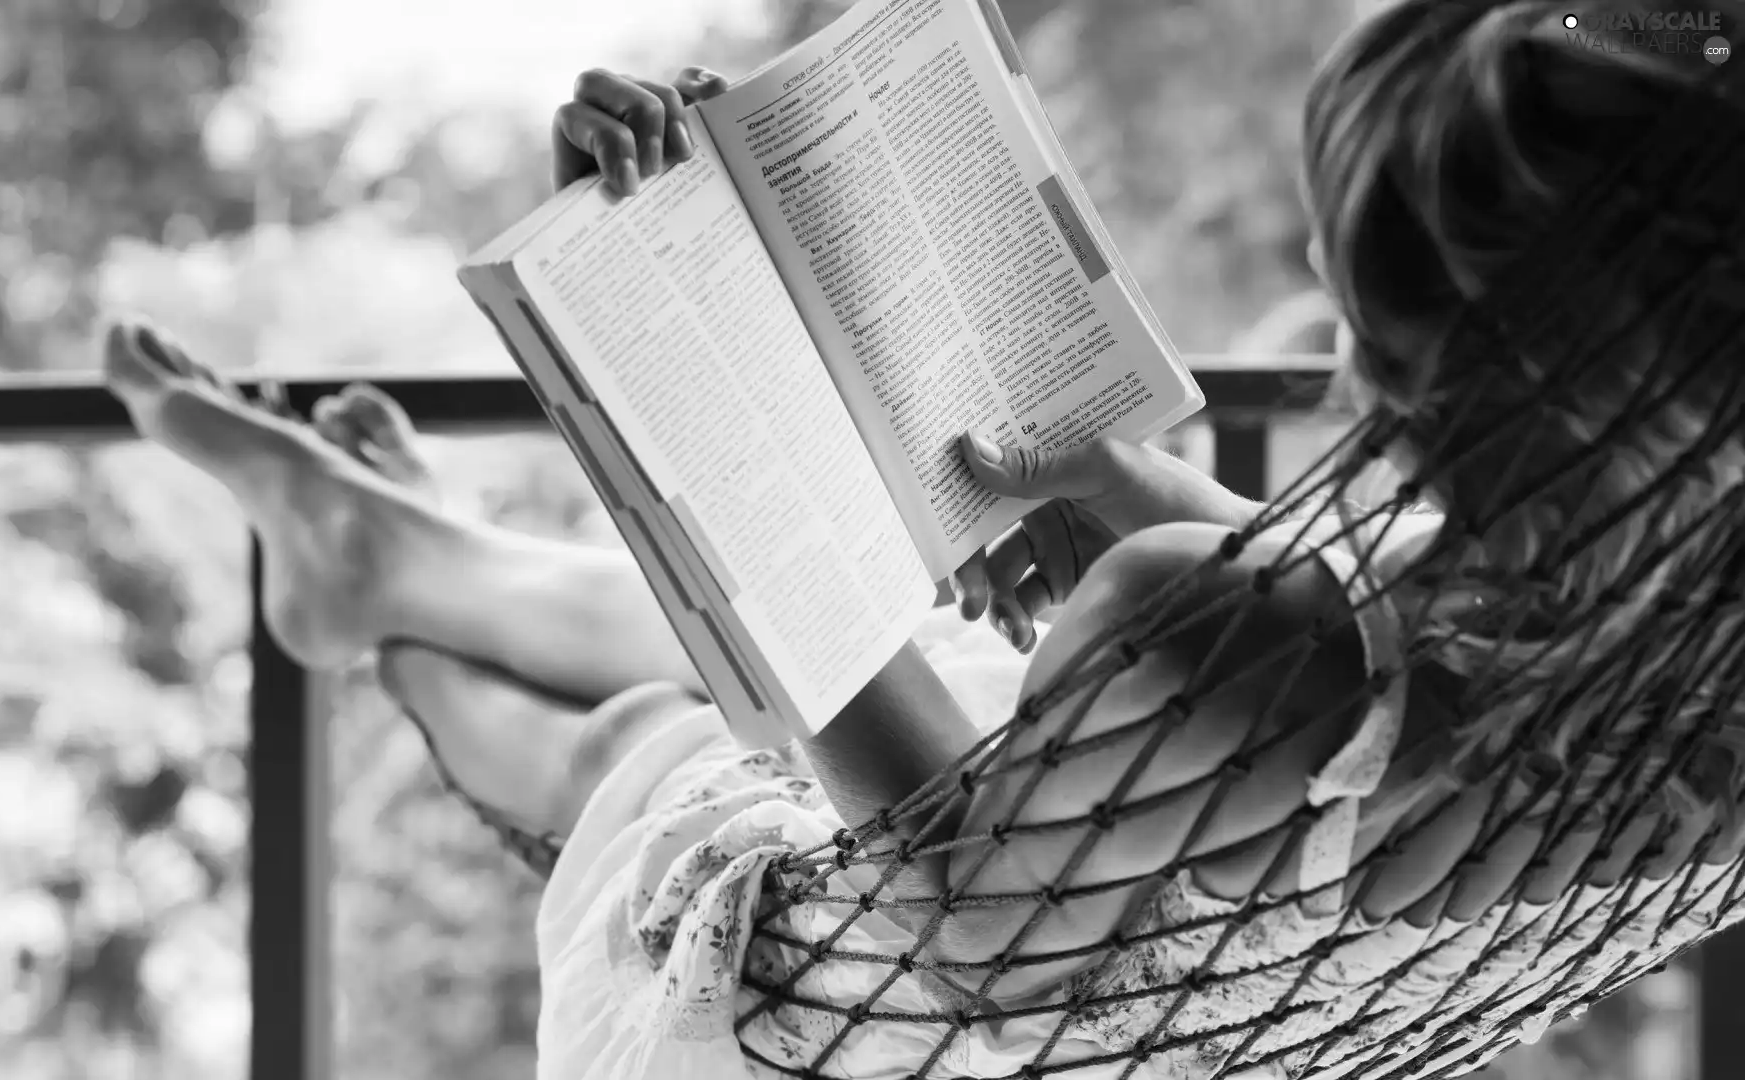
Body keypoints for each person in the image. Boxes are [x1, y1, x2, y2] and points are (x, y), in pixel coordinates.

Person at [103, 0, 1745, 1076]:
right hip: (1217, 978)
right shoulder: (1693, 643)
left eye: (1378, 331)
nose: (1332, 354)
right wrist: (1108, 476)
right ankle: (401, 555)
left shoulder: (1201, 638)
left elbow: (954, 941)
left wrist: (708, 435)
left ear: (1508, 385)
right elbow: (1374, 668)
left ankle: (382, 608)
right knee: (916, 635)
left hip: (882, 1028)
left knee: (643, 731)